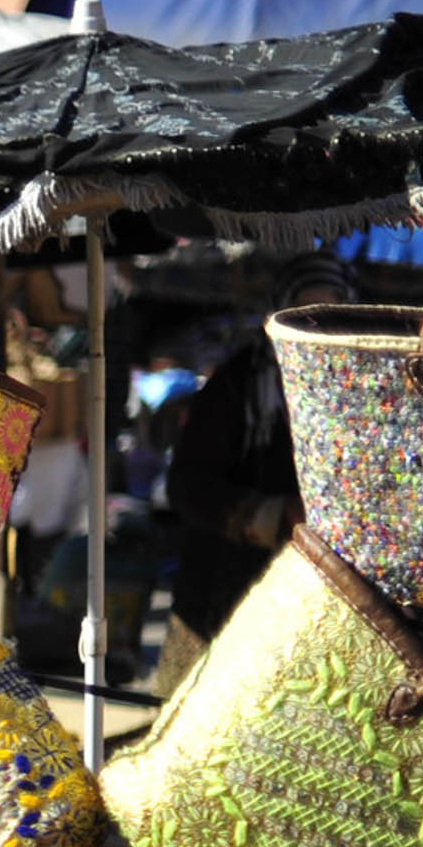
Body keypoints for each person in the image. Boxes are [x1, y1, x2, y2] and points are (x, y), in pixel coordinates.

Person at [159, 255, 341, 687]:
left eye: (330, 313)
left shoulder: (352, 392)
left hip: (315, 592)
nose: (317, 328)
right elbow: (187, 485)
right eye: (304, 313)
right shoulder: (238, 383)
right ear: (279, 313)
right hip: (227, 587)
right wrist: (274, 516)